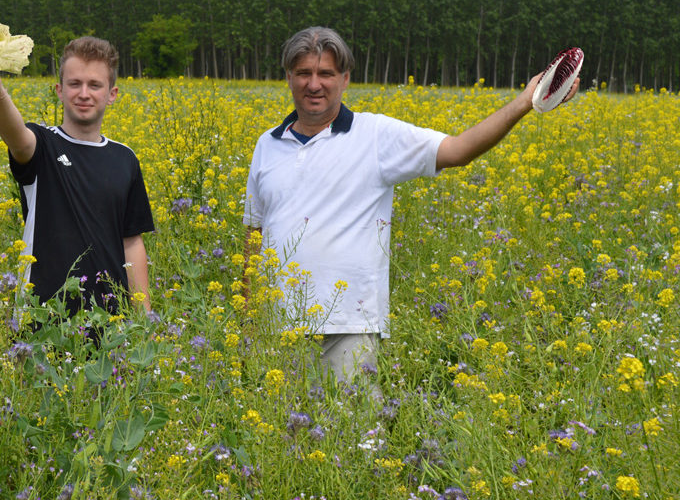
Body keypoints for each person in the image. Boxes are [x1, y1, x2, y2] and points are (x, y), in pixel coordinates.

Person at [244, 26, 577, 384]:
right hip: (276, 330)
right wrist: (248, 319)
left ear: (345, 79)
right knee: (280, 437)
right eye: (303, 73)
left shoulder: (375, 135)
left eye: (325, 74)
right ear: (288, 78)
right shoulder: (268, 144)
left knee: (353, 436)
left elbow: (458, 150)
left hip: (349, 327)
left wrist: (524, 102)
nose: (314, 85)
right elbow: (256, 232)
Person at [0, 36, 154, 318]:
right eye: (74, 83)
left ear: (112, 94)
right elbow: (17, 138)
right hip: (41, 317)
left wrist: (144, 317)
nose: (84, 93)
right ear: (59, 90)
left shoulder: (125, 159)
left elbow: (132, 242)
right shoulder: (42, 144)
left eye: (95, 85)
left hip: (110, 324)